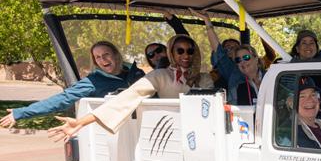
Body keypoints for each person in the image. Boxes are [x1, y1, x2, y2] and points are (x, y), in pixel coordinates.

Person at [48, 34, 212, 140]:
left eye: (190, 51)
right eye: (180, 51)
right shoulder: (160, 75)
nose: (186, 55)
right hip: (173, 134)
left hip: (204, 133)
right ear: (171, 53)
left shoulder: (204, 78)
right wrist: (80, 122)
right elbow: (127, 98)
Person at [0, 41, 144, 129]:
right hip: (117, 132)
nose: (102, 60)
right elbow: (62, 99)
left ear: (116, 55)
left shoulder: (136, 73)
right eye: (98, 57)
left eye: (106, 54)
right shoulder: (92, 81)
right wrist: (22, 112)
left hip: (144, 127)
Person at [190, 9, 276, 104]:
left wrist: (261, 33)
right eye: (238, 59)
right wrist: (207, 21)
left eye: (246, 57)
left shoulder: (270, 75)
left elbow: (271, 56)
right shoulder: (231, 71)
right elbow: (217, 48)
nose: (242, 61)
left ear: (256, 58)